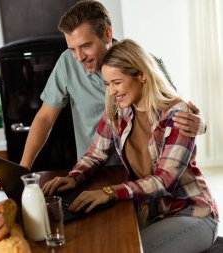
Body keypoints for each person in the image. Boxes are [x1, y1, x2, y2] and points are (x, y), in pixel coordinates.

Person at [42, 39, 219, 253]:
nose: (112, 91)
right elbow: (95, 155)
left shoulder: (177, 114)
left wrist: (109, 192)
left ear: (141, 74)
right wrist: (73, 177)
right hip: (155, 216)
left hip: (191, 213)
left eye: (117, 82)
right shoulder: (119, 111)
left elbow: (166, 180)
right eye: (107, 84)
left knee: (127, 249)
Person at [19, 0, 206, 170]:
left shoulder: (147, 64)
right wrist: (23, 168)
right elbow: (45, 118)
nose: (78, 57)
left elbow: (177, 111)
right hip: (92, 169)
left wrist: (201, 124)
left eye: (85, 46)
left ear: (107, 34)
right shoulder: (68, 63)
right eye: (72, 49)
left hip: (144, 173)